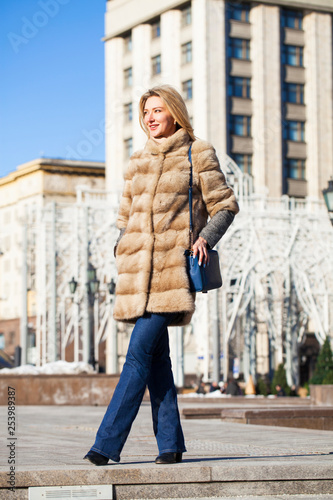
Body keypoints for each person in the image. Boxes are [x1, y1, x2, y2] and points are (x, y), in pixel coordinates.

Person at [84, 85, 239, 466]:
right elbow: (126, 218)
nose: (151, 117)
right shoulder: (136, 161)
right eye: (146, 112)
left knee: (136, 355)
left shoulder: (196, 151)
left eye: (158, 110)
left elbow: (226, 204)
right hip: (137, 278)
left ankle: (106, 446)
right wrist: (122, 247)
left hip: (172, 275)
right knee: (157, 362)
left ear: (174, 113)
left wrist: (205, 237)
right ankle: (170, 445)